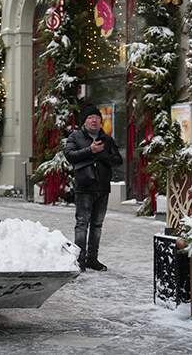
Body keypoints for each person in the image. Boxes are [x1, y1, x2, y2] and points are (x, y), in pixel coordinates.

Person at [64, 104, 123, 272]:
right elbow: (69, 156)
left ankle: (92, 259)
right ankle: (79, 260)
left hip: (102, 188)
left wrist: (102, 154)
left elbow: (118, 160)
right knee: (82, 224)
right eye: (91, 118)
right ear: (85, 121)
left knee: (97, 225)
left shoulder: (107, 139)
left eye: (97, 118)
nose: (94, 121)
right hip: (84, 187)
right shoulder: (75, 137)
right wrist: (90, 150)